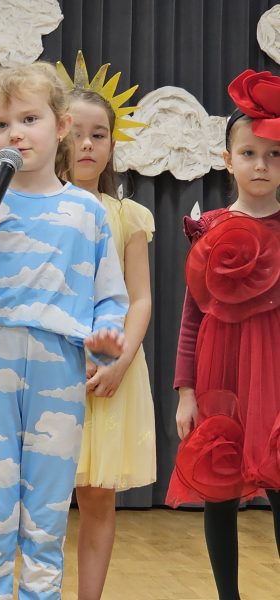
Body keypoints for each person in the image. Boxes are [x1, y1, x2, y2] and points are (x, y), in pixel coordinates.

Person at [0, 61, 128, 599]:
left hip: (59, 371)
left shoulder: (87, 212)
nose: (14, 133)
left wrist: (107, 340)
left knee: (45, 524)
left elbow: (111, 298)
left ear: (61, 126)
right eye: (0, 124)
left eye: (29, 119)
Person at [167, 68, 280, 600]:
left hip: (275, 374)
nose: (261, 165)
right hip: (221, 372)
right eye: (249, 153)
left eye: (274, 154)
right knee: (219, 484)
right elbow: (192, 317)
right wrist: (186, 391)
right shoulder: (208, 227)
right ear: (227, 159)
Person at [59, 53, 156, 600]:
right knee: (43, 494)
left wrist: (119, 362)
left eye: (99, 135)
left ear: (113, 144)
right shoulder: (38, 210)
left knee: (97, 496)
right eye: (77, 133)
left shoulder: (128, 217)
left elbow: (140, 299)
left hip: (110, 372)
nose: (87, 145)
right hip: (54, 368)